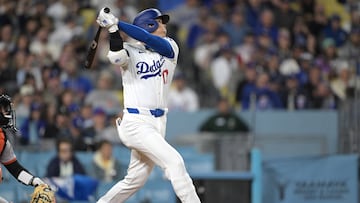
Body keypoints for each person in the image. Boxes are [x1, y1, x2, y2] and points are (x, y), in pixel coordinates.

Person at [95, 7, 201, 203]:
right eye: (160, 21)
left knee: (134, 180)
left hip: (158, 123)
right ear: (149, 24)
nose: (164, 25)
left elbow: (149, 39)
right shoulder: (129, 49)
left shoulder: (170, 46)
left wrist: (117, 23)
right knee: (175, 163)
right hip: (136, 122)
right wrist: (112, 30)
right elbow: (116, 56)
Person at [0, 95, 45, 201]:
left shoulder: (2, 139)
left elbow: (15, 169)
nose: (6, 113)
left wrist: (34, 180)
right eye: (3, 110)